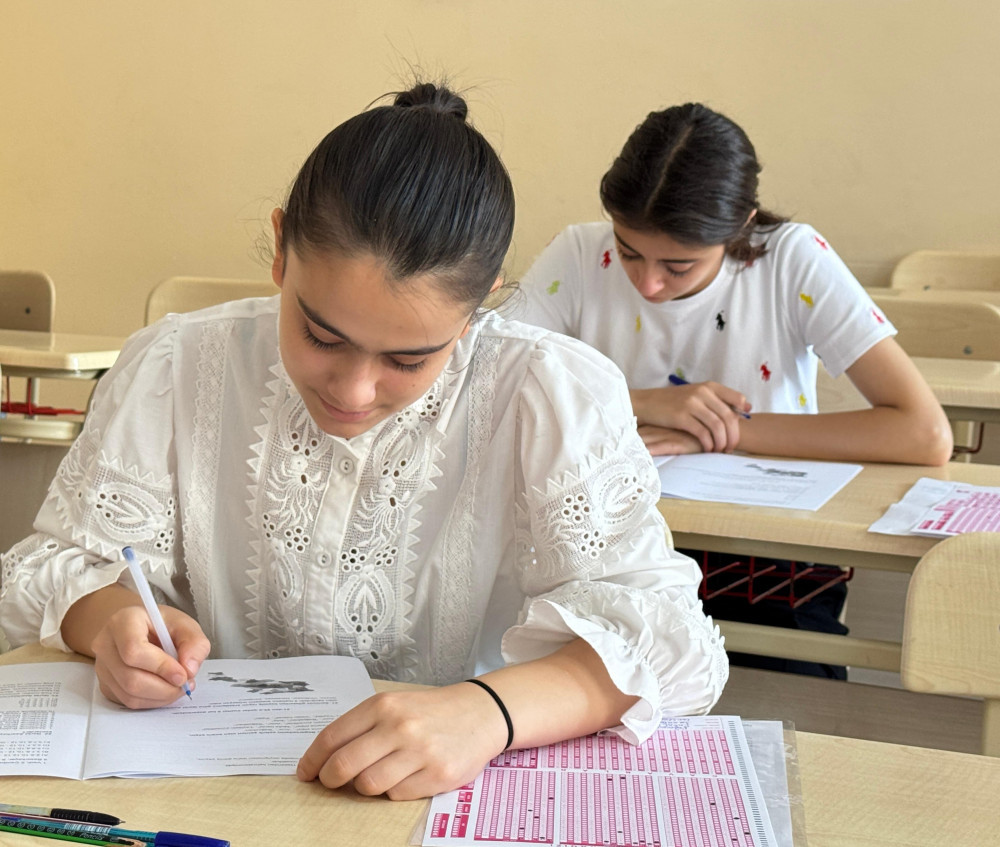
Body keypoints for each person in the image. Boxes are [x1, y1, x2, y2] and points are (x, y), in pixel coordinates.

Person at [0, 84, 727, 800]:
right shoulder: (175, 364)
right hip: (218, 797)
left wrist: (489, 712)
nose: (352, 391)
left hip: (451, 798)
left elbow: (671, 645)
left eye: (409, 360)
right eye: (321, 334)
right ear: (281, 250)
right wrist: (109, 623)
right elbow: (56, 564)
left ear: (479, 307)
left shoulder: (549, 392)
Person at [516, 102, 953, 678]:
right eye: (627, 251)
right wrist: (642, 401)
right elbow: (492, 384)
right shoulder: (577, 253)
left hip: (772, 569)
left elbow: (922, 432)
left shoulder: (792, 259)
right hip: (613, 550)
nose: (647, 282)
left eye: (679, 265)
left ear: (741, 223)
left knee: (790, 697)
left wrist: (719, 432)